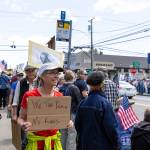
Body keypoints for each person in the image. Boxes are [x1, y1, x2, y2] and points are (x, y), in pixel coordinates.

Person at [17, 63, 73, 150]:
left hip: (54, 144)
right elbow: (20, 118)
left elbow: (64, 119)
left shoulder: (59, 96)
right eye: (52, 73)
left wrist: (69, 122)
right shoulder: (30, 95)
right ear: (41, 76)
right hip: (35, 144)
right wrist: (23, 124)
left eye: (57, 73)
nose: (56, 76)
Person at [75, 71, 121, 150]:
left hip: (85, 144)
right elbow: (112, 129)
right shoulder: (105, 104)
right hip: (102, 145)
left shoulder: (82, 103)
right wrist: (117, 145)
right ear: (102, 84)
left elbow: (77, 126)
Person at [59, 70, 82, 150]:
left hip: (62, 113)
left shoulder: (60, 88)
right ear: (73, 77)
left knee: (63, 134)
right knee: (72, 134)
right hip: (72, 114)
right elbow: (79, 102)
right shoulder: (74, 88)